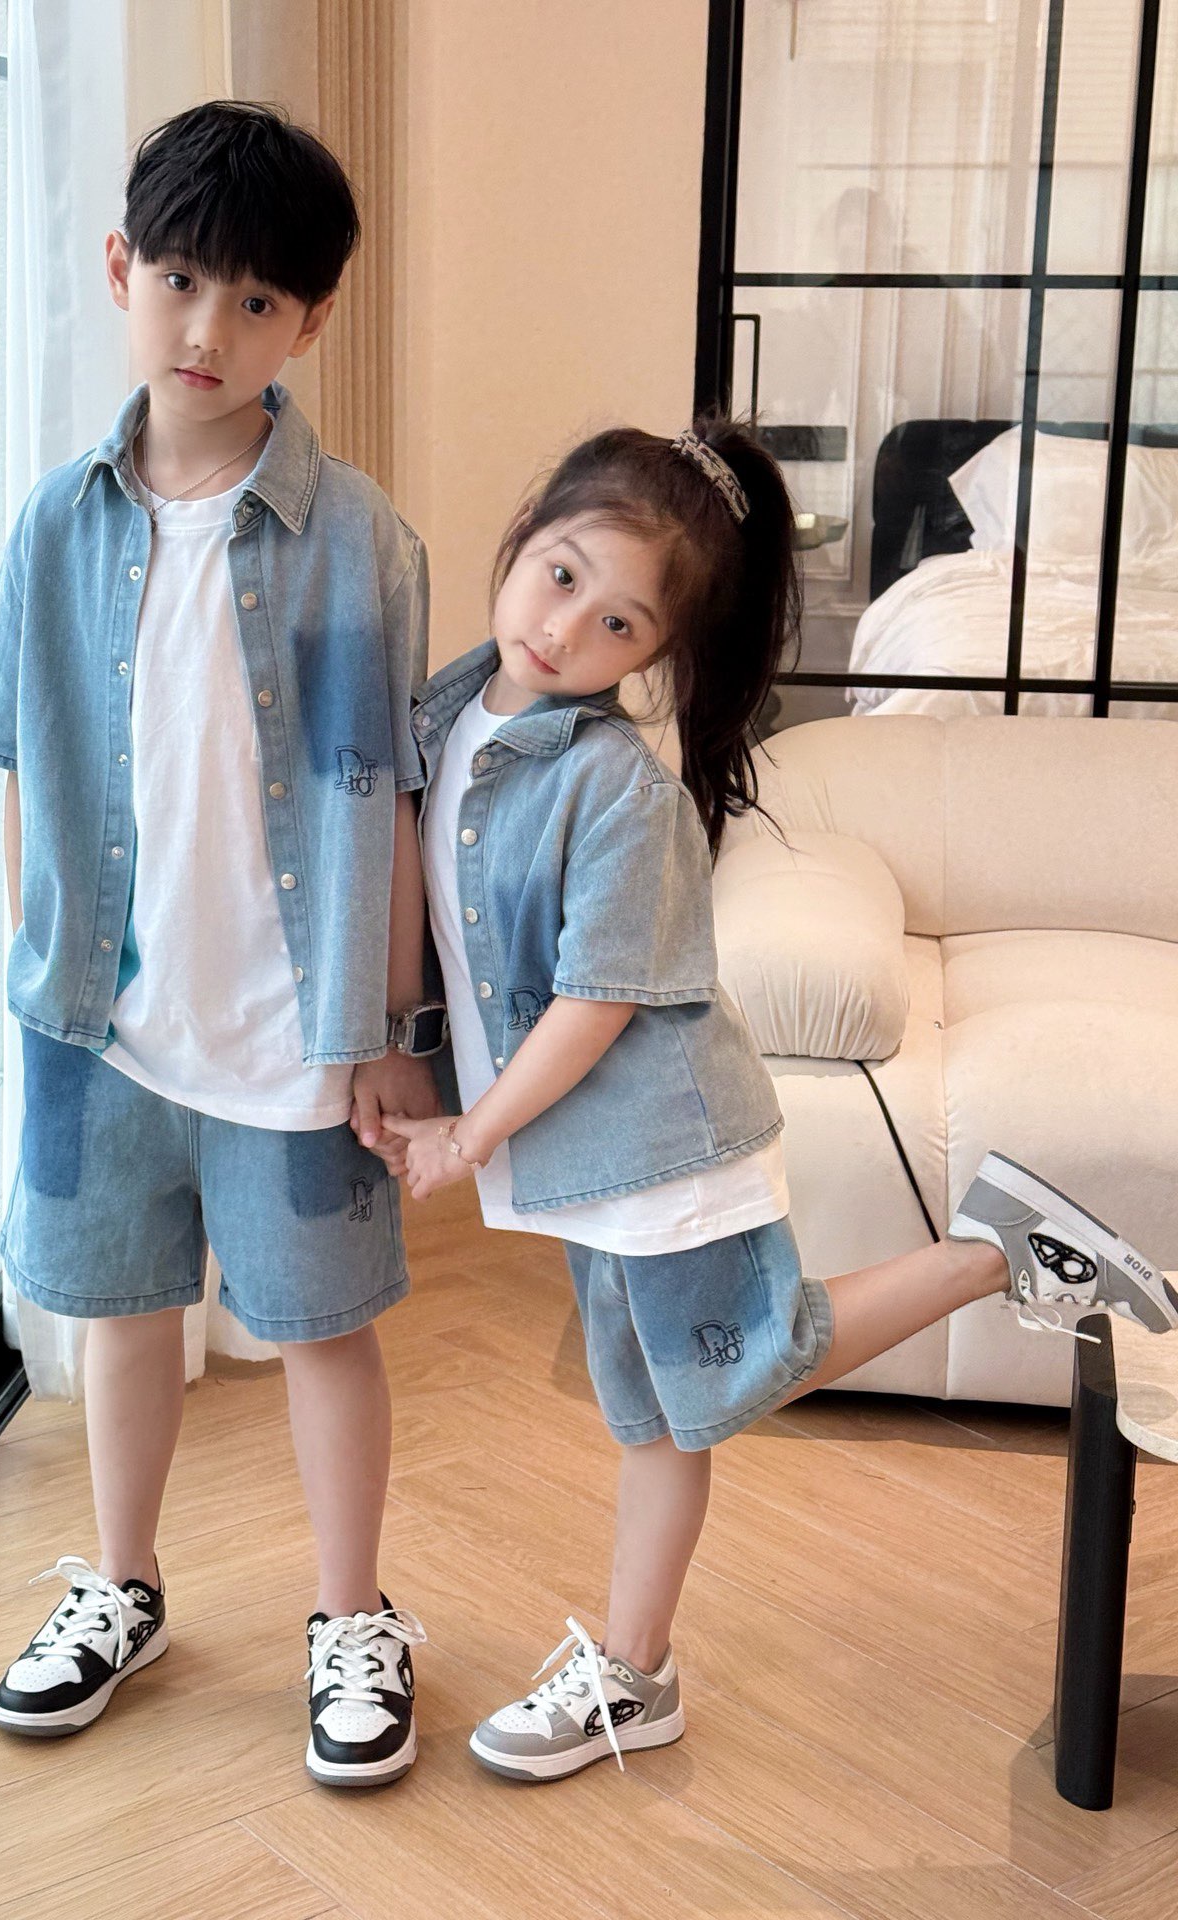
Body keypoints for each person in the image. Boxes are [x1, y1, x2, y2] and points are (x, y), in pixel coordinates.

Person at [385, 419, 1178, 1784]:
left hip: (659, 1147)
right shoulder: (453, 708)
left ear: (655, 652)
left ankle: (996, 1255)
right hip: (590, 1161)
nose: (567, 630)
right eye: (562, 575)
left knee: (730, 1378)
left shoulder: (615, 785)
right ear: (521, 537)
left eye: (620, 622)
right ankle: (639, 1668)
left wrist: (472, 1130)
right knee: (666, 1406)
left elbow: (595, 1004)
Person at [0, 102, 442, 1788]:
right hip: (103, 1022)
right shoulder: (52, 524)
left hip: (297, 1028)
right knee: (122, 1309)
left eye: (256, 300)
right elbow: (19, 757)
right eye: (179, 282)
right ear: (120, 271)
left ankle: (352, 1615)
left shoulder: (359, 538)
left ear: (312, 319)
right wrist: (48, 974)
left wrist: (390, 1031)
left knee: (323, 1326)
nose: (209, 328)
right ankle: (123, 1584)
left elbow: (388, 799)